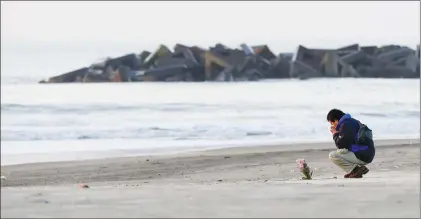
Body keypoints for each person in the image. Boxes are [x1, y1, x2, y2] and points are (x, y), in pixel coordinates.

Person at [326, 109, 375, 178]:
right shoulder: (351, 122)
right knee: (341, 151)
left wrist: (335, 134)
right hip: (366, 153)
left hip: (362, 154)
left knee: (333, 155)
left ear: (336, 120)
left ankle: (355, 170)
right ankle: (354, 170)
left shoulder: (346, 124)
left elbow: (341, 145)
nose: (332, 125)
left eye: (332, 123)